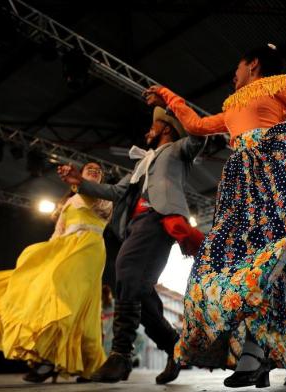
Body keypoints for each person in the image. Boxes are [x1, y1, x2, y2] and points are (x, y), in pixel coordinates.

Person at [144, 43, 286, 388]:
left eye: (237, 67)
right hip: (240, 183)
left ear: (252, 65)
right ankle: (284, 356)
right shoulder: (231, 105)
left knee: (266, 261)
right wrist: (168, 96)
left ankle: (256, 355)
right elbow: (196, 125)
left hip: (273, 174)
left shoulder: (280, 84)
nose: (232, 75)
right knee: (262, 265)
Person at [58, 106, 206, 384]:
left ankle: (121, 355)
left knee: (125, 272)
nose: (147, 131)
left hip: (158, 219)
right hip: (135, 225)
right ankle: (176, 346)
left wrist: (169, 101)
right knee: (138, 290)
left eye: (153, 126)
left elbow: (199, 135)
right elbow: (115, 191)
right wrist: (79, 182)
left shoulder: (177, 150)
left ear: (165, 127)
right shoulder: (142, 162)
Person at [0, 162, 113, 382]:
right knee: (48, 293)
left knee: (71, 302)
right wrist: (47, 253)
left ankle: (60, 361)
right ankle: (49, 358)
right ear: (80, 172)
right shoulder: (69, 202)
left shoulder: (104, 196)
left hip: (88, 250)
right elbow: (58, 232)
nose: (94, 169)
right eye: (89, 167)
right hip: (64, 248)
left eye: (98, 170)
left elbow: (101, 210)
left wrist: (81, 185)